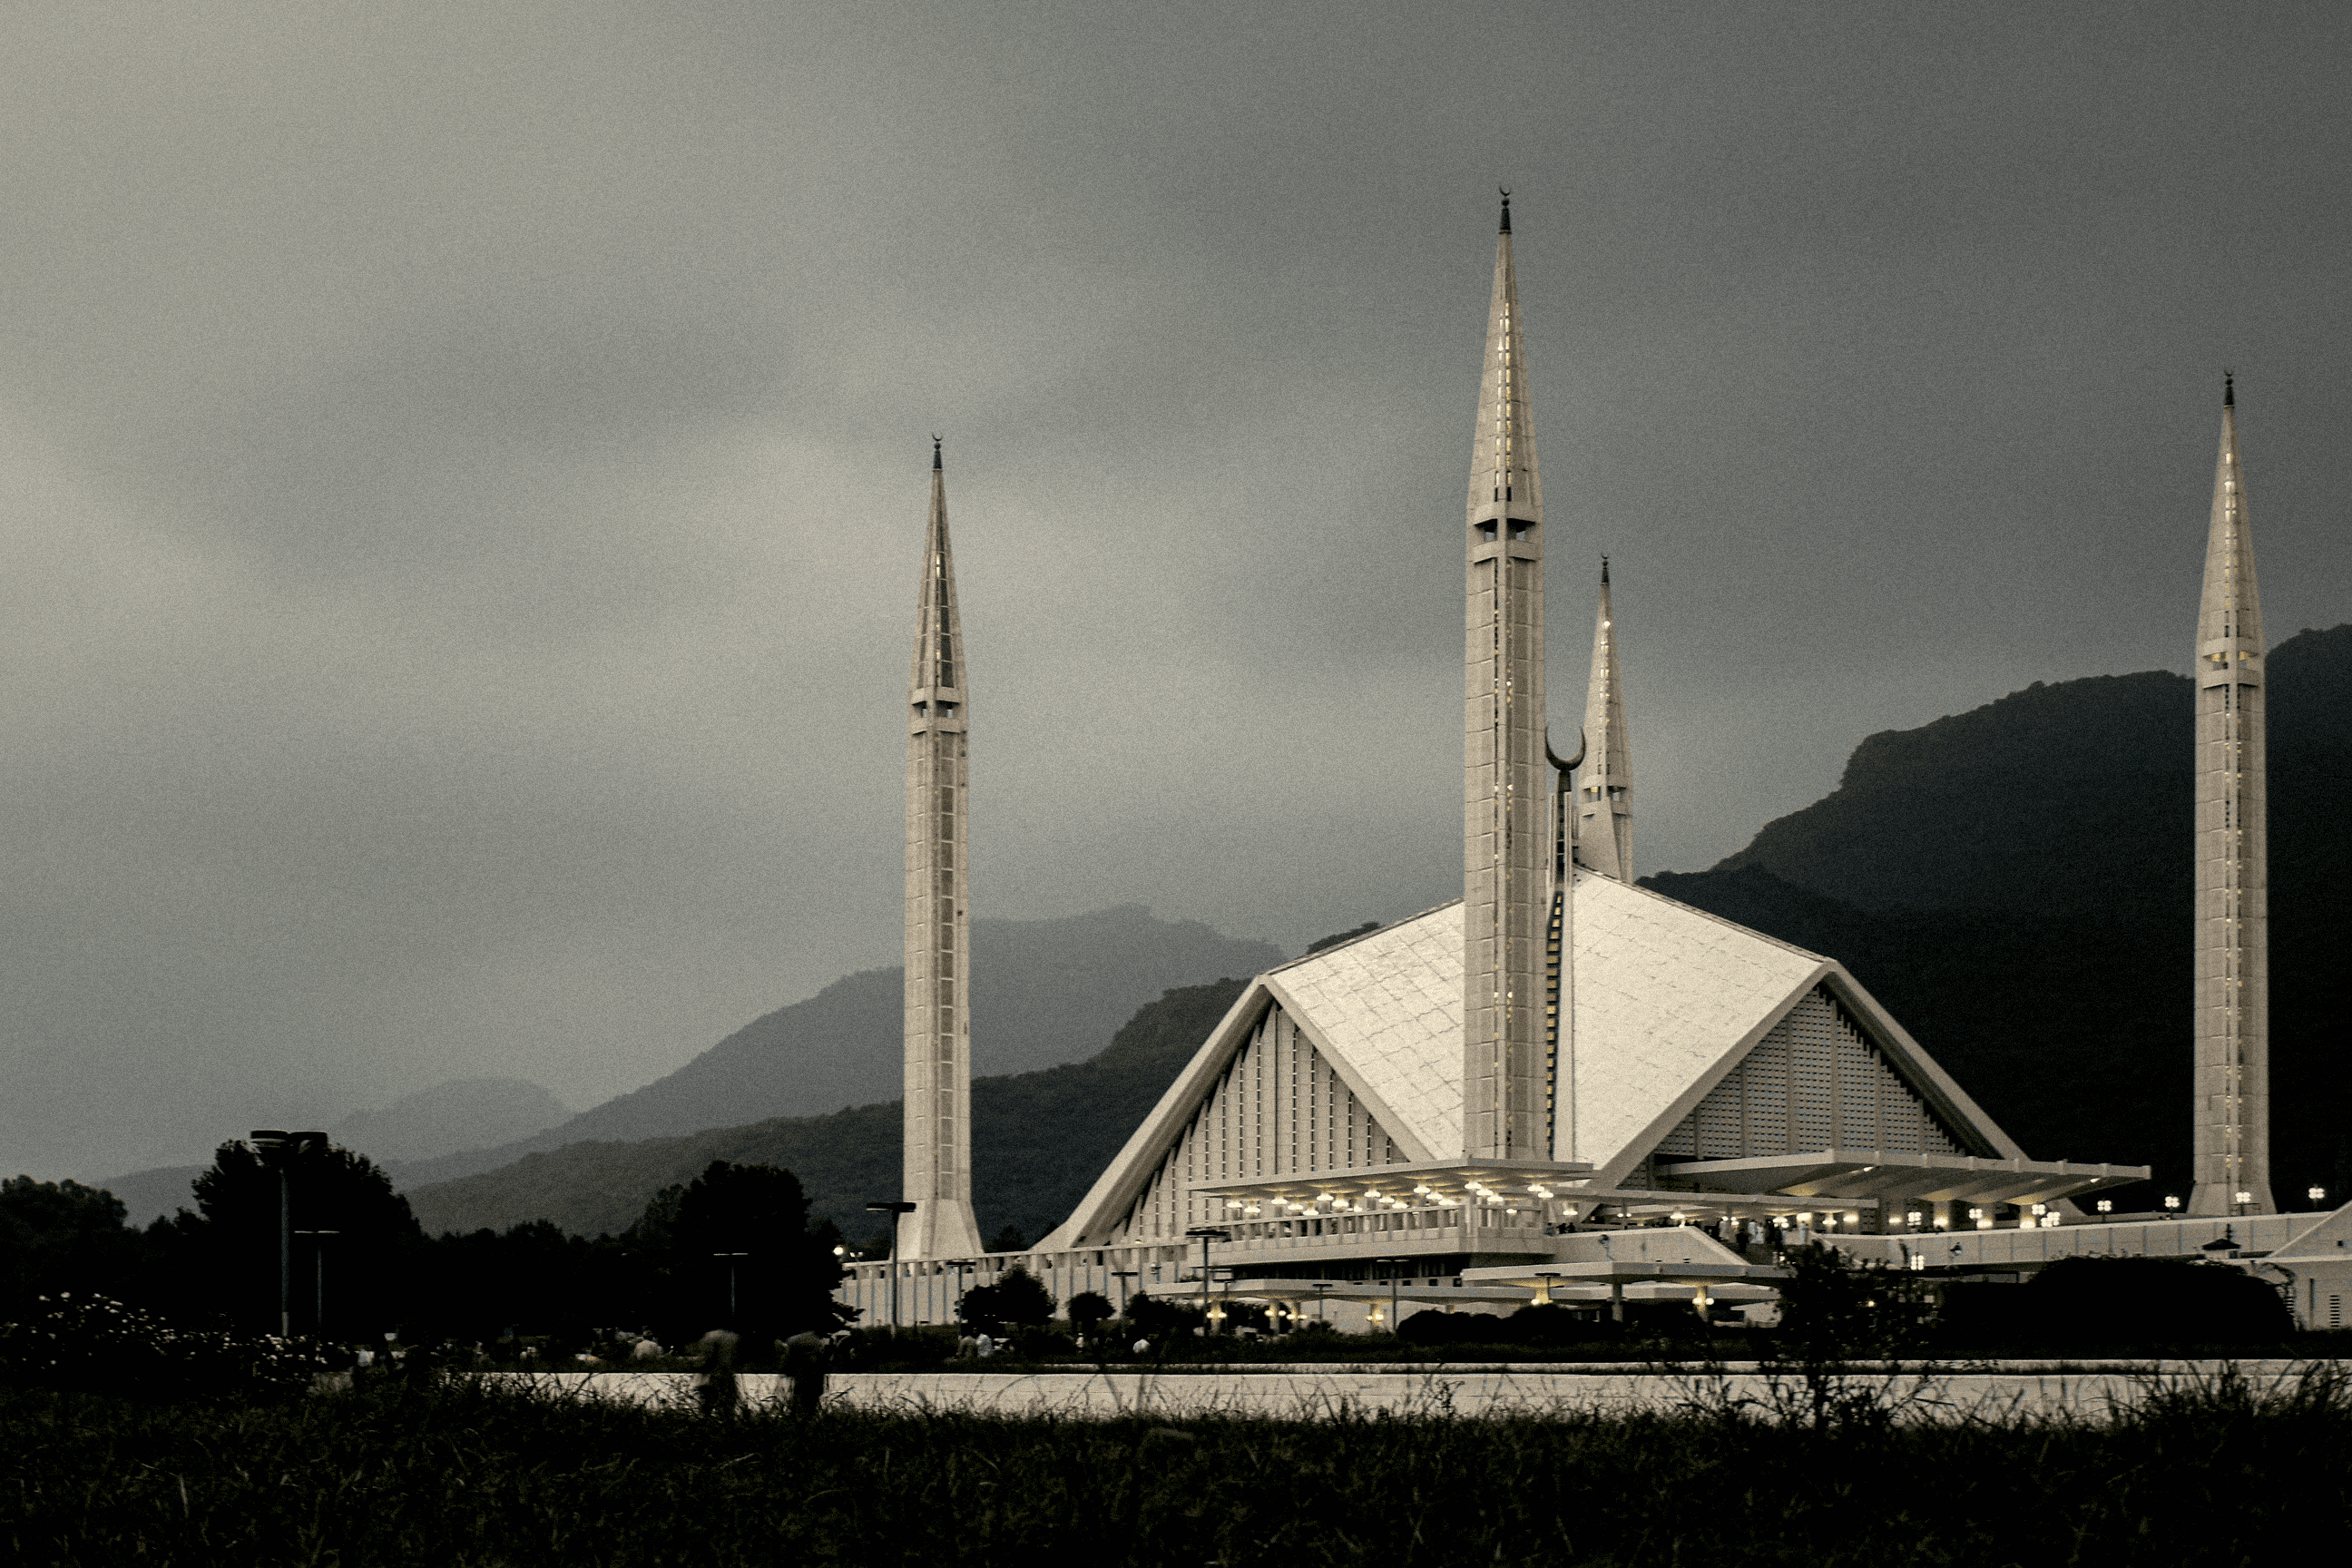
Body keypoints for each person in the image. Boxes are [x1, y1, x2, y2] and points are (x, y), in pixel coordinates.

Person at [780, 1331, 828, 1416]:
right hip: (815, 1377)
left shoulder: (793, 1340)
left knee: (799, 1401)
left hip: (800, 1376)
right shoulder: (817, 1341)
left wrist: (786, 1371)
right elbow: (822, 1362)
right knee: (811, 1405)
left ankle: (798, 1419)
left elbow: (788, 1360)